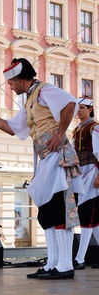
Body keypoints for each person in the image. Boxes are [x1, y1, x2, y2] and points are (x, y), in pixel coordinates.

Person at [0, 58, 84, 280]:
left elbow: (70, 104)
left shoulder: (44, 91)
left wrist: (61, 133)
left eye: (11, 83)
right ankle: (53, 263)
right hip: (45, 158)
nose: (10, 87)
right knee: (47, 212)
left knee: (59, 208)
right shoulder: (31, 100)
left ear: (21, 80)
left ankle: (64, 265)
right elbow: (11, 128)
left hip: (57, 157)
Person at [72, 97, 99, 269]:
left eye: (82, 107)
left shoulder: (94, 128)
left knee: (87, 213)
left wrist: (98, 176)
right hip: (82, 172)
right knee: (95, 219)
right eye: (77, 107)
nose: (79, 110)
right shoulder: (76, 129)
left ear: (90, 109)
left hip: (92, 171)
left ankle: (80, 258)